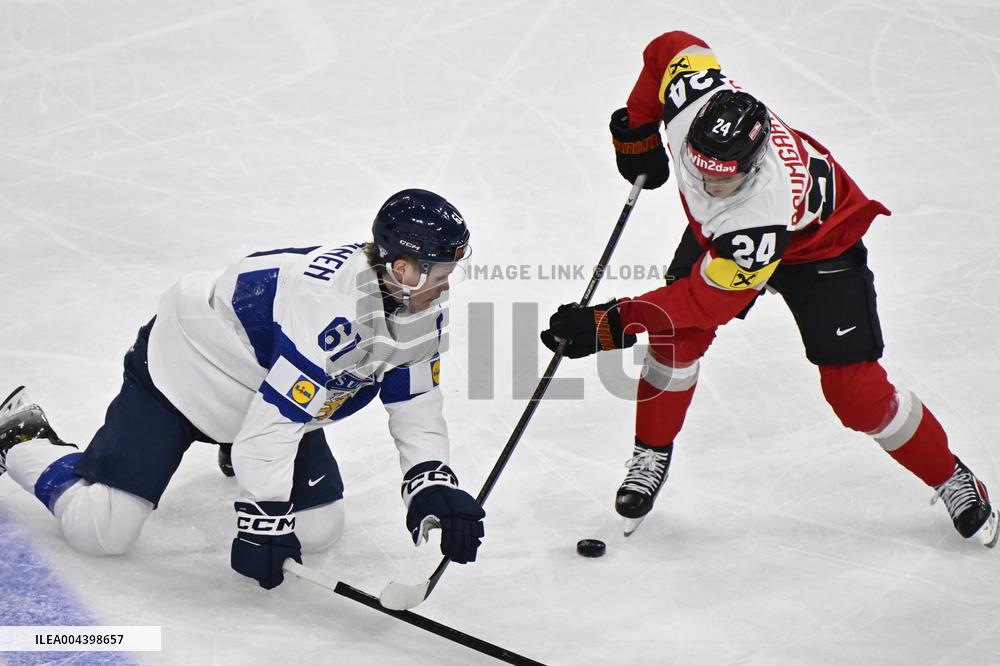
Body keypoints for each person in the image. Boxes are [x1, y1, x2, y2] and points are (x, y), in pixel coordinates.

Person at [541, 30, 998, 546]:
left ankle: (952, 475)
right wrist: (640, 131)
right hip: (726, 235)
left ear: (754, 166)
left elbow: (702, 303)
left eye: (724, 182)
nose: (708, 187)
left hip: (821, 245)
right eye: (698, 169)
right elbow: (671, 45)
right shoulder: (694, 98)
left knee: (855, 395)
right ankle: (652, 451)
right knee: (675, 344)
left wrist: (609, 324)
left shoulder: (757, 214)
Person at [0, 188, 486, 589]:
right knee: (101, 532)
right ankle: (24, 439)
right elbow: (272, 430)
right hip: (186, 370)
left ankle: (235, 446)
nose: (447, 286)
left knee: (319, 532)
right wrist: (263, 518)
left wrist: (430, 482)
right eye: (441, 274)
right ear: (404, 268)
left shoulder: (418, 302)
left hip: (265, 387)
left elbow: (415, 398)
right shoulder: (329, 316)